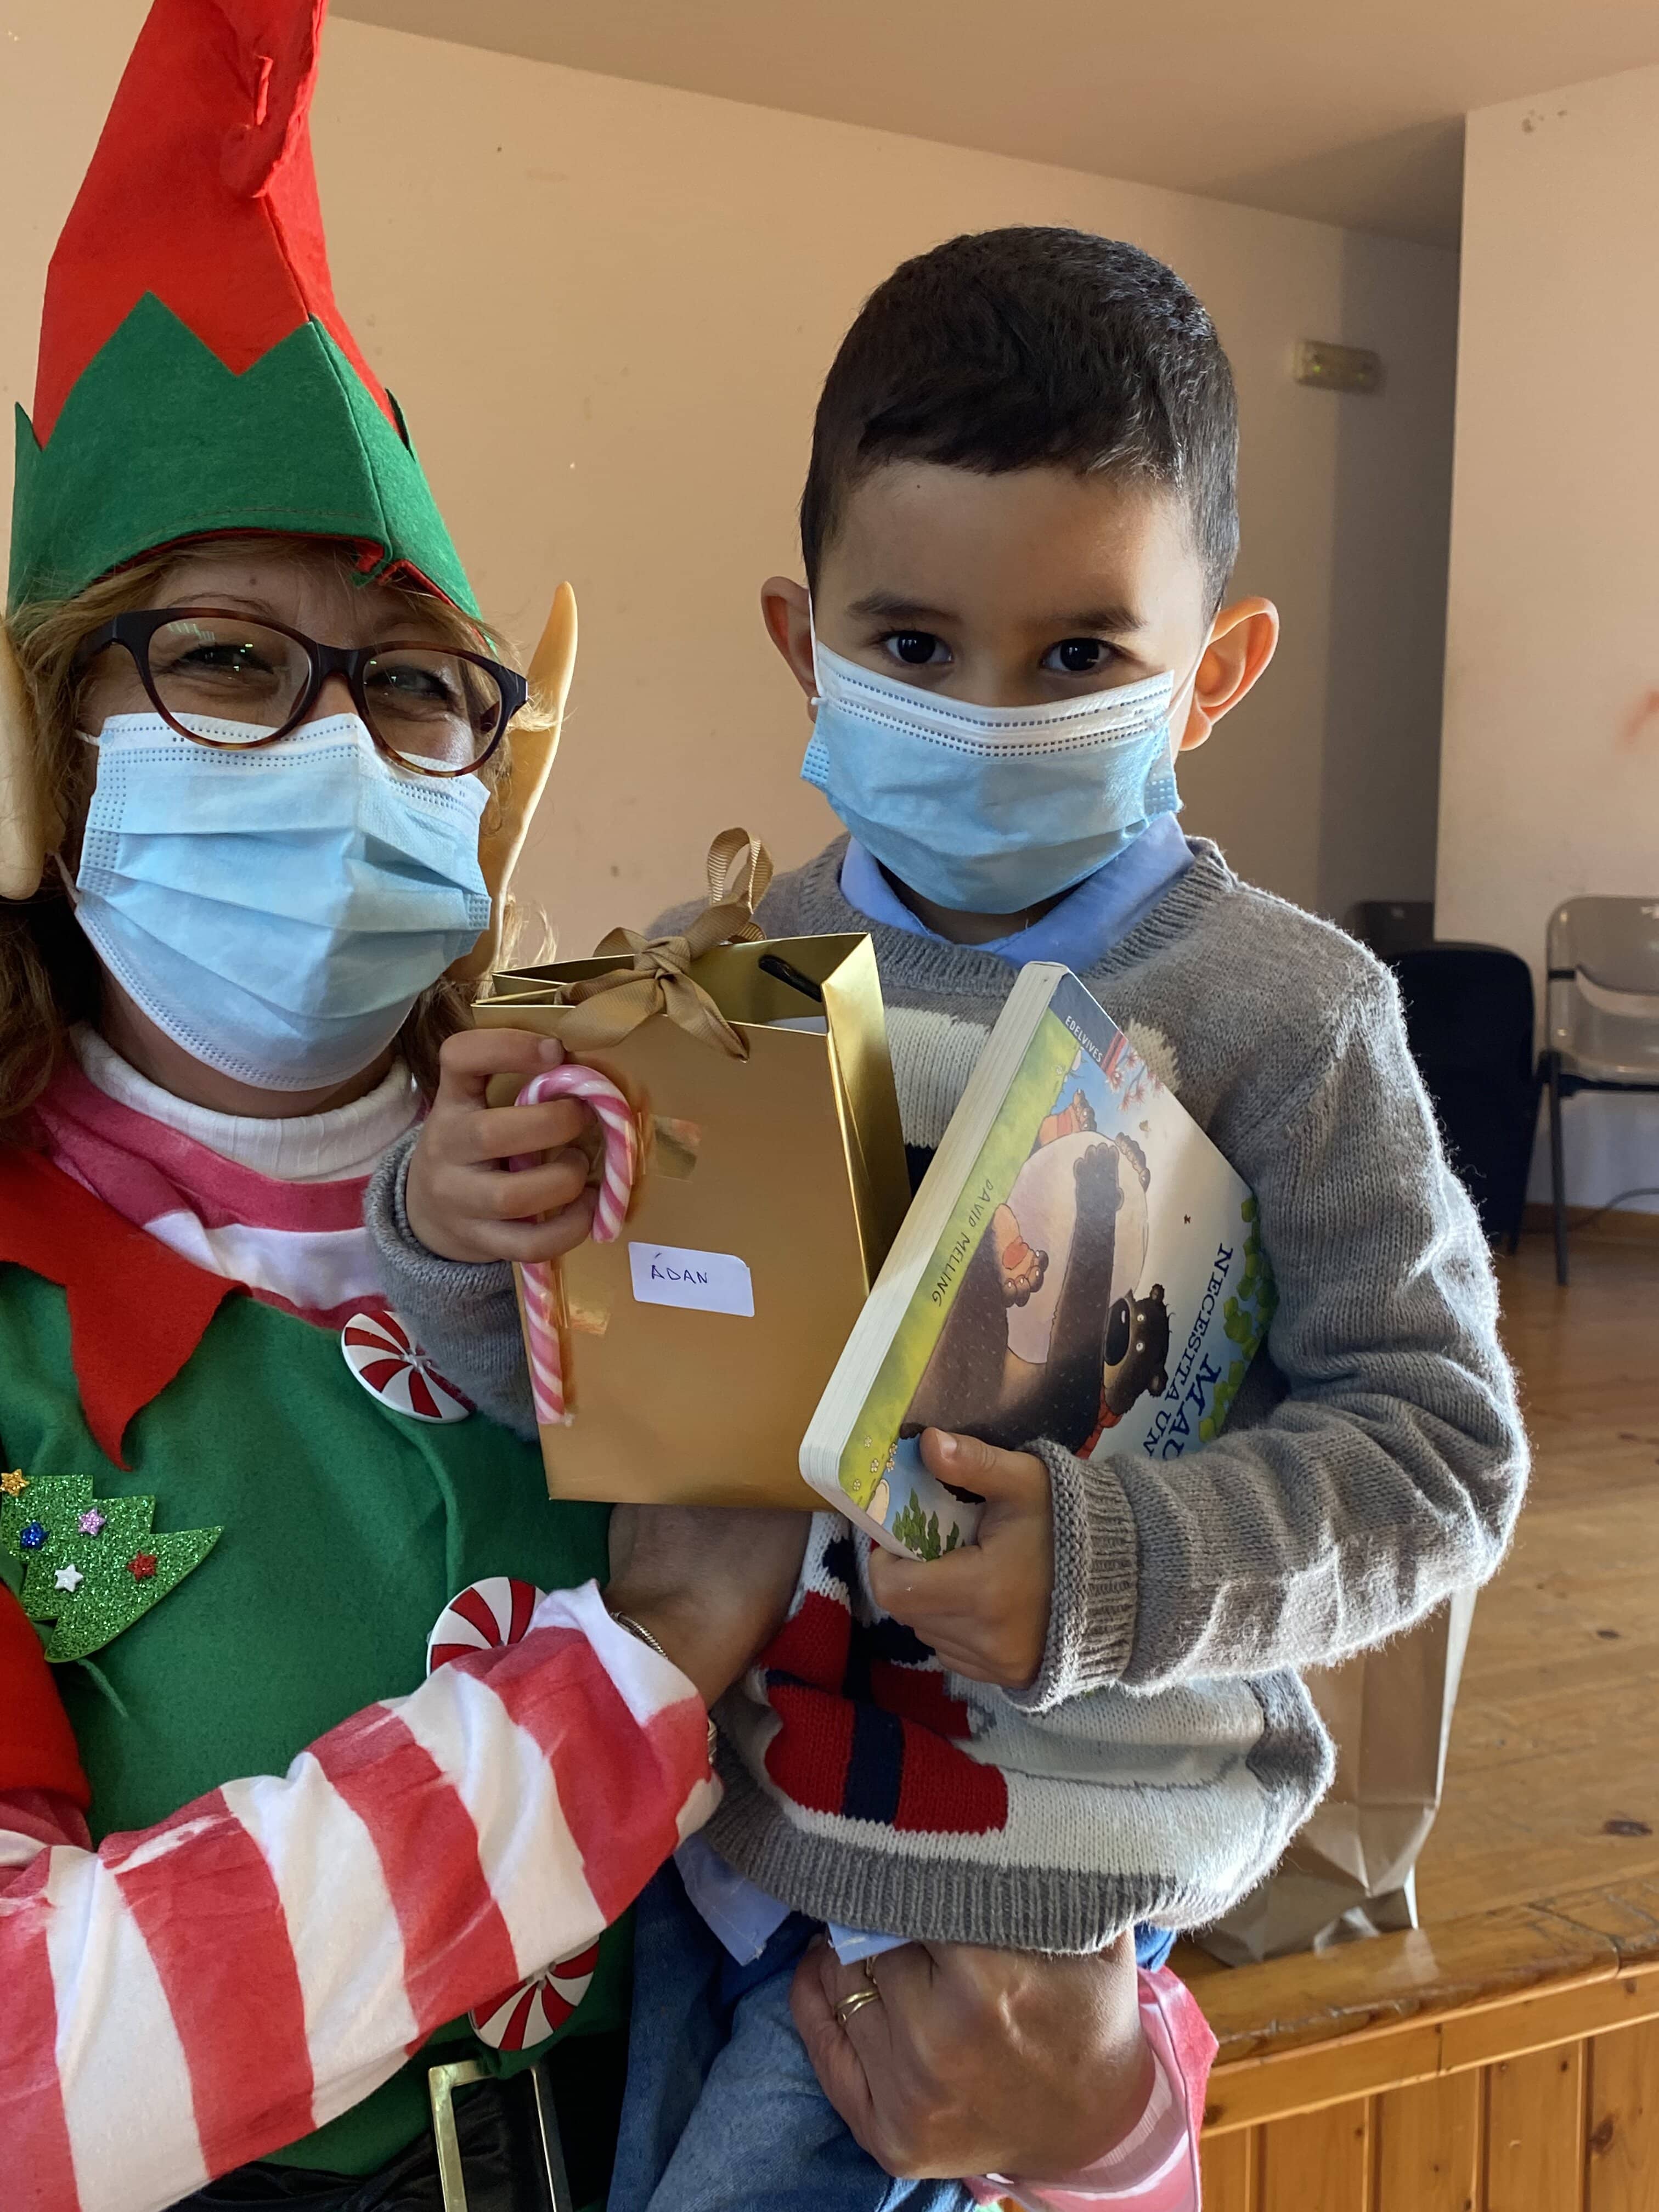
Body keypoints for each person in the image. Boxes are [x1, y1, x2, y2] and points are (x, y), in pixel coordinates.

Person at [0, 17, 1156, 2210]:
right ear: (47, 743)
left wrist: (1106, 2116)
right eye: (224, 661)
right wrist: (639, 1670)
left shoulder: (682, 1153)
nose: (339, 747)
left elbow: (988, 1775)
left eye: (409, 682)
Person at [375, 230, 1529, 2208]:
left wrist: (1114, 1567)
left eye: (1081, 656)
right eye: (912, 646)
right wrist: (455, 1229)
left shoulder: (1290, 1012)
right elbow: (575, 1402)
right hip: (704, 1851)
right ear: (801, 642)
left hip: (1030, 1924)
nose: (992, 709)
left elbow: (1443, 1459)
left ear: (1217, 670)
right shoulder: (705, 975)